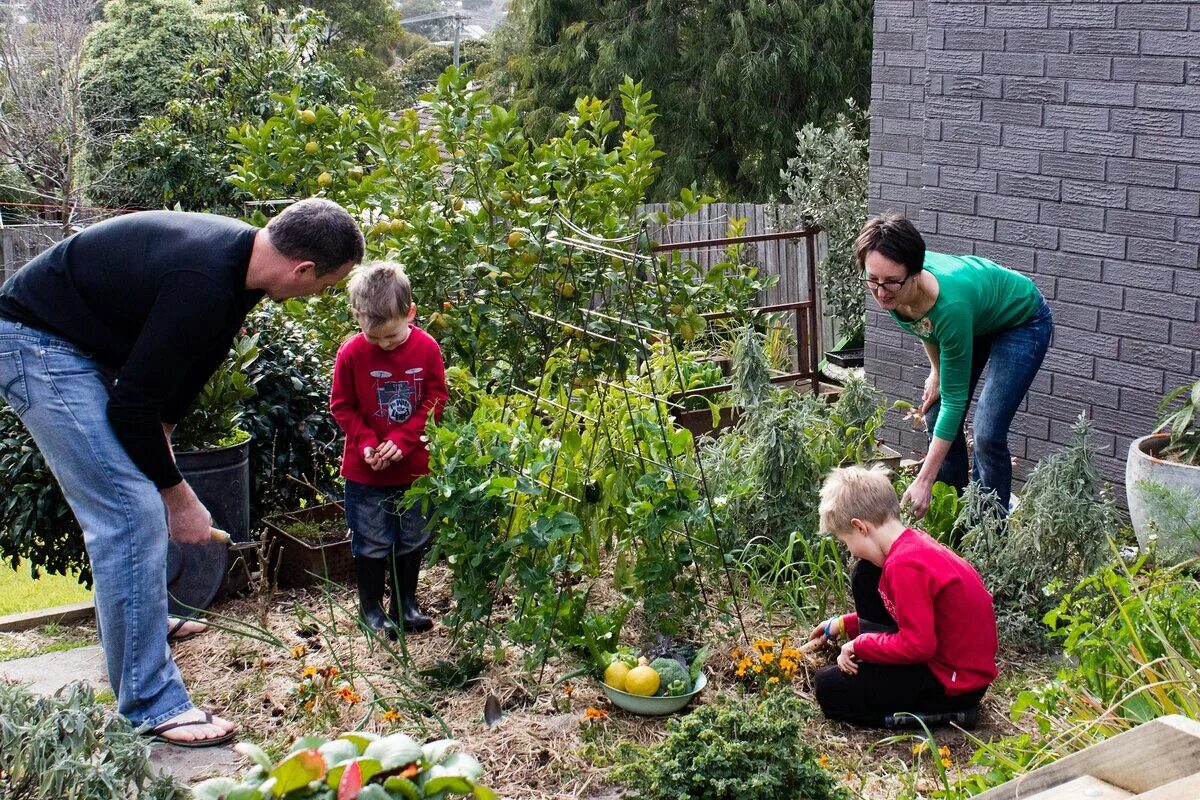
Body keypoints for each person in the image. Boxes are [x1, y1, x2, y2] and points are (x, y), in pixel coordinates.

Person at [0, 198, 365, 746]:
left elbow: (189, 367)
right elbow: (132, 406)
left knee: (136, 497)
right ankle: (151, 703)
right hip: (38, 344)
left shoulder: (240, 268)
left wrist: (164, 445)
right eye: (326, 285)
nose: (320, 295)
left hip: (81, 343)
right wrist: (178, 499)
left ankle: (139, 617)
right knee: (130, 513)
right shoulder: (204, 278)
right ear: (303, 270)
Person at [855, 212, 1053, 518]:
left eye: (891, 282)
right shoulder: (896, 291)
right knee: (934, 412)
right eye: (873, 280)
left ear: (915, 272)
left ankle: (989, 528)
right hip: (974, 318)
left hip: (1021, 320)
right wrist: (936, 371)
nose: (881, 292)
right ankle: (956, 512)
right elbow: (925, 324)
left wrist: (923, 479)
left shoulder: (949, 305)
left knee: (987, 432)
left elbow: (956, 399)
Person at [809, 464, 998, 729]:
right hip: (949, 663)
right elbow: (910, 612)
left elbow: (919, 645)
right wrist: (844, 625)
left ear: (860, 527)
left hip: (954, 684)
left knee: (828, 688)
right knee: (865, 573)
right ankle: (881, 667)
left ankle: (943, 716)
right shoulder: (910, 546)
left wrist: (860, 645)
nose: (850, 551)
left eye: (845, 541)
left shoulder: (903, 567)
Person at [330, 262, 447, 636]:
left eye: (392, 338)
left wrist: (403, 439)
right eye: (375, 338)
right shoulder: (351, 354)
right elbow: (342, 406)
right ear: (358, 317)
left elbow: (434, 398)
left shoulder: (427, 348)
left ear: (410, 313)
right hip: (366, 470)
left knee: (412, 535)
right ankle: (371, 610)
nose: (384, 345)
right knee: (372, 538)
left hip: (413, 466)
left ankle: (404, 603)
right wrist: (366, 443)